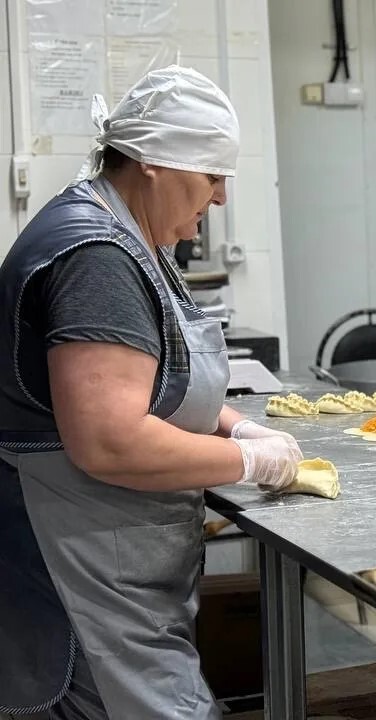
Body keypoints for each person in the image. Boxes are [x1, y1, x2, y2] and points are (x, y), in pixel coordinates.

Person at [0, 66, 301, 719]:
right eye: (212, 176)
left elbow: (151, 384)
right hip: (79, 581)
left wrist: (233, 425)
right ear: (155, 164)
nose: (220, 197)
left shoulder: (127, 233)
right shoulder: (98, 257)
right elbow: (110, 441)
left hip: (115, 572)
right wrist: (251, 461)